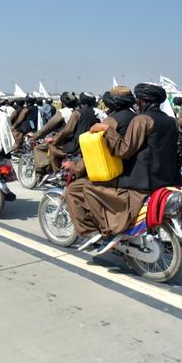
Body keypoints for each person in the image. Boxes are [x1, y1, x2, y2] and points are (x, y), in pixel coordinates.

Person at [68, 83, 182, 254]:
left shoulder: (142, 119)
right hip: (166, 177)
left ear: (142, 100)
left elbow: (123, 150)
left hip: (142, 180)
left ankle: (104, 231)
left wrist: (106, 130)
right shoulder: (170, 121)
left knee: (89, 188)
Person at [65, 87, 138, 248]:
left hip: (115, 172)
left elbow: (98, 153)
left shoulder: (110, 121)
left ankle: (90, 233)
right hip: (133, 170)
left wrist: (76, 167)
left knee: (73, 190)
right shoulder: (136, 117)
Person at [48, 92, 99, 172]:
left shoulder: (77, 113)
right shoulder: (94, 113)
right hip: (88, 144)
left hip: (75, 145)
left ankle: (56, 172)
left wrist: (54, 139)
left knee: (52, 147)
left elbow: (67, 130)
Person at [30, 92, 78, 174]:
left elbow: (47, 128)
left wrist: (34, 137)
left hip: (62, 142)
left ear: (62, 102)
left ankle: (42, 171)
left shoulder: (62, 113)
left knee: (38, 148)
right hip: (74, 141)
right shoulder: (77, 112)